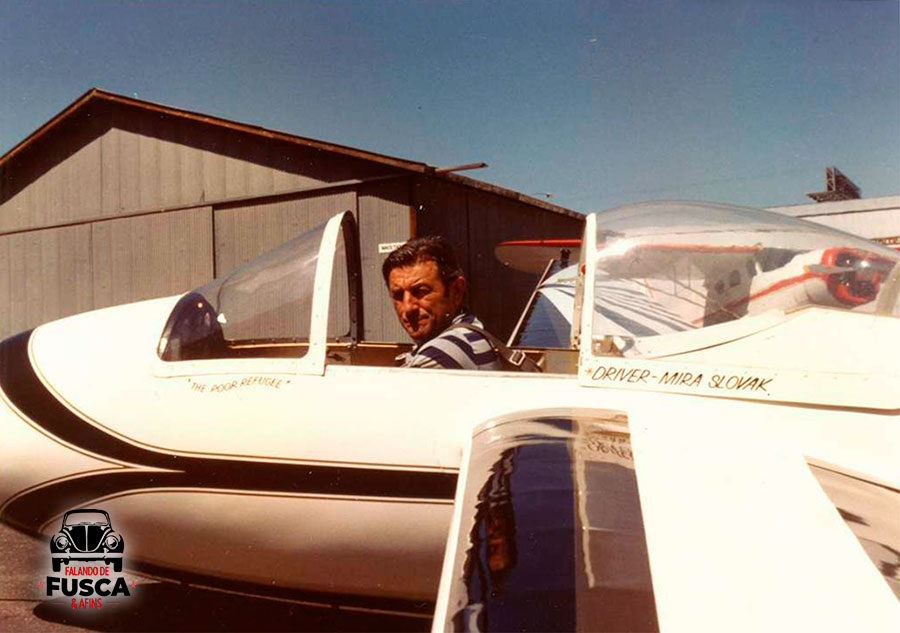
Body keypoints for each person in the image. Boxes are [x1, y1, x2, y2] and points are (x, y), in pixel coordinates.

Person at [382, 236, 503, 370]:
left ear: (456, 291)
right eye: (398, 295)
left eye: (421, 291)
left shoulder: (439, 356)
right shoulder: (468, 334)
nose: (408, 308)